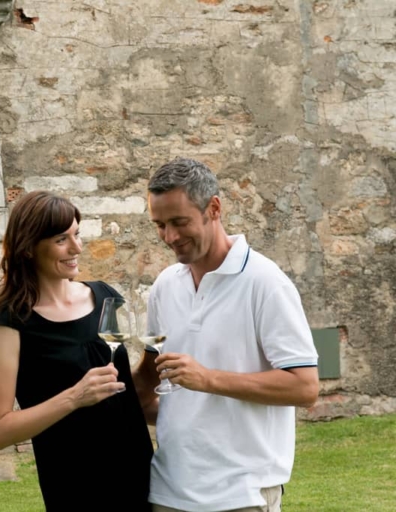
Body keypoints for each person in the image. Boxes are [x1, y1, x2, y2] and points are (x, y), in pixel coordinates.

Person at [134, 157, 320, 512]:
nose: (169, 237)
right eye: (159, 225)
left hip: (242, 496)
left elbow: (305, 387)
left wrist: (207, 379)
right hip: (167, 492)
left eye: (179, 222)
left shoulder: (266, 283)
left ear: (214, 208)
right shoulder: (164, 286)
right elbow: (150, 380)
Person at [0, 190, 154, 511]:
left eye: (77, 234)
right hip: (75, 486)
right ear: (30, 247)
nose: (76, 248)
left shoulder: (106, 297)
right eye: (62, 239)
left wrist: (158, 362)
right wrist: (74, 397)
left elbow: (121, 386)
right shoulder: (11, 323)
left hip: (139, 476)